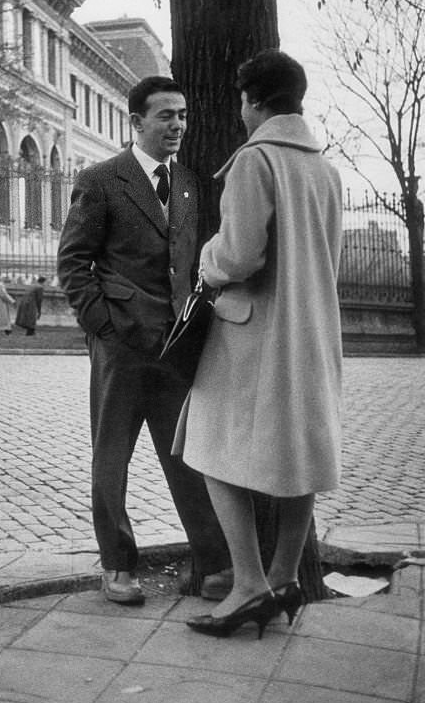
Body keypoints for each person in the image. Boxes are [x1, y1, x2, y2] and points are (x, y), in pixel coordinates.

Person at [172, 49, 343, 638]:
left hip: (253, 334)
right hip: (311, 329)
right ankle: (286, 574)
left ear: (252, 101)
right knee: (302, 450)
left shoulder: (255, 160)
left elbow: (241, 254)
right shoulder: (325, 168)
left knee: (209, 446)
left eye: (242, 101)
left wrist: (206, 259)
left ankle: (248, 583)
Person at [58, 76, 228, 606]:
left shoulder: (188, 184)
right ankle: (117, 566)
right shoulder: (102, 180)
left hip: (174, 345)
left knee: (187, 455)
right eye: (165, 116)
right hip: (121, 348)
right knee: (112, 457)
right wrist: (104, 329)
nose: (177, 125)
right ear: (137, 122)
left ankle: (213, 563)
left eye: (182, 115)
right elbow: (72, 263)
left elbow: (190, 262)